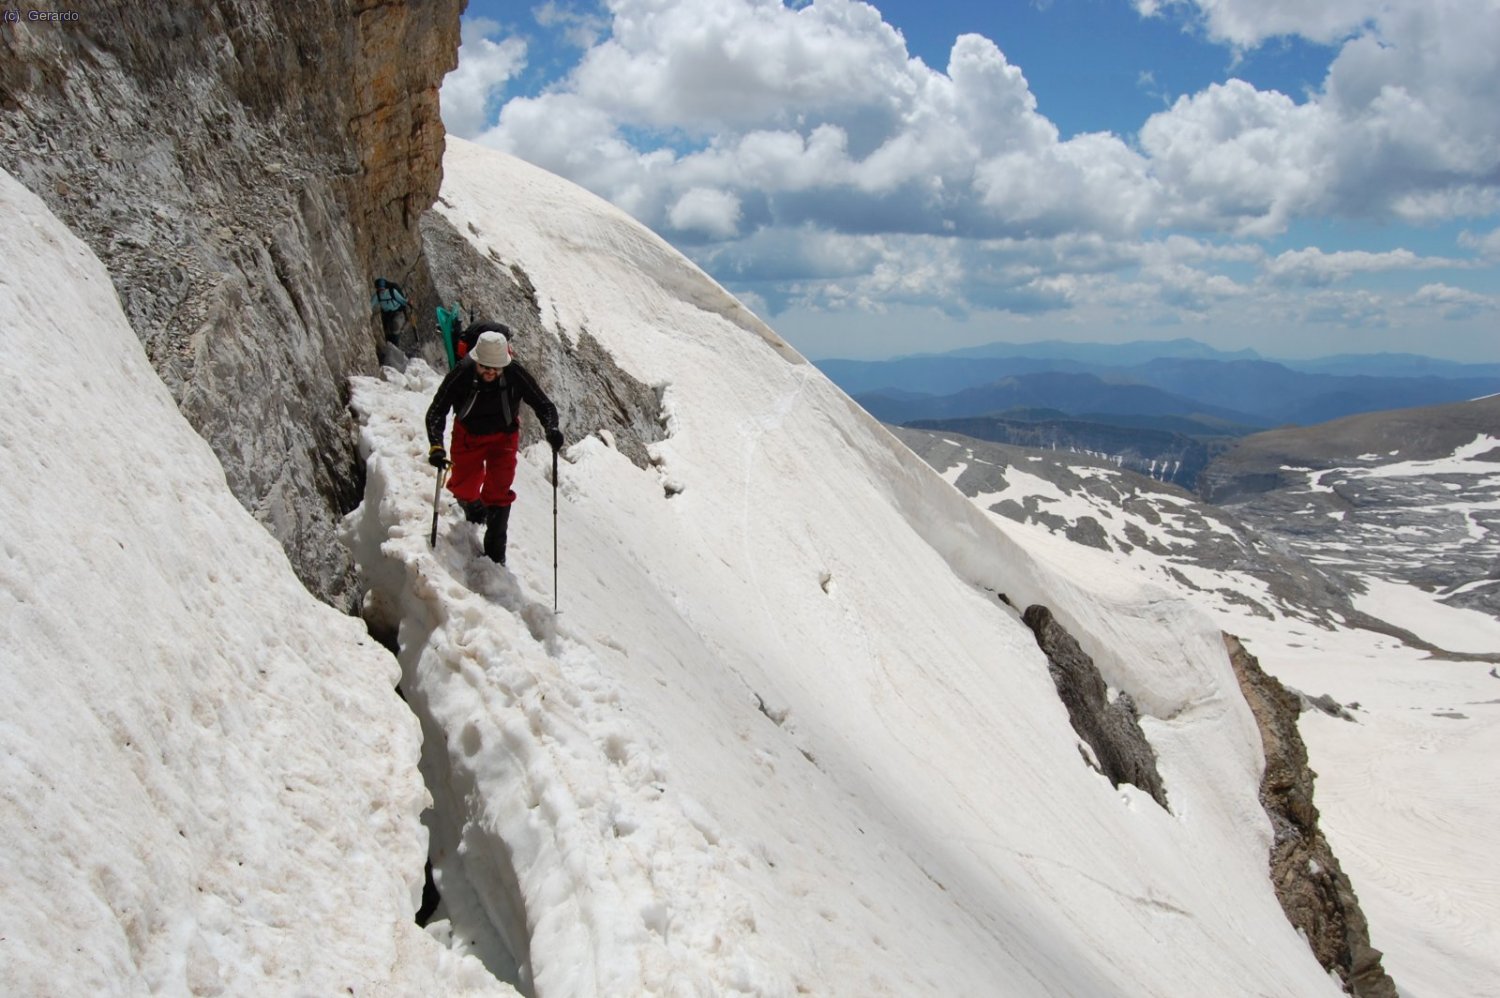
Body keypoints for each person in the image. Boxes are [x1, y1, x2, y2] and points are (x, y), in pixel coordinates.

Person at [426, 330, 564, 564]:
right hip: (468, 434)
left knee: (500, 491)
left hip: (504, 438)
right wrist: (436, 446)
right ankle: (475, 509)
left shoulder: (514, 373)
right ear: (476, 361)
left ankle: (495, 554)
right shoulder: (462, 373)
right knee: (463, 486)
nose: (490, 372)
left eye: (496, 368)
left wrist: (551, 429)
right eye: (485, 367)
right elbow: (437, 411)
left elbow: (544, 405)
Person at [371, 277, 412, 343]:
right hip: (387, 315)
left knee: (395, 326)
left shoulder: (392, 292)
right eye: (379, 289)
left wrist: (408, 302)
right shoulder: (377, 296)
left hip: (397, 313)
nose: (381, 290)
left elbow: (402, 300)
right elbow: (370, 305)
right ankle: (390, 347)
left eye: (382, 288)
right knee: (388, 333)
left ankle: (395, 345)